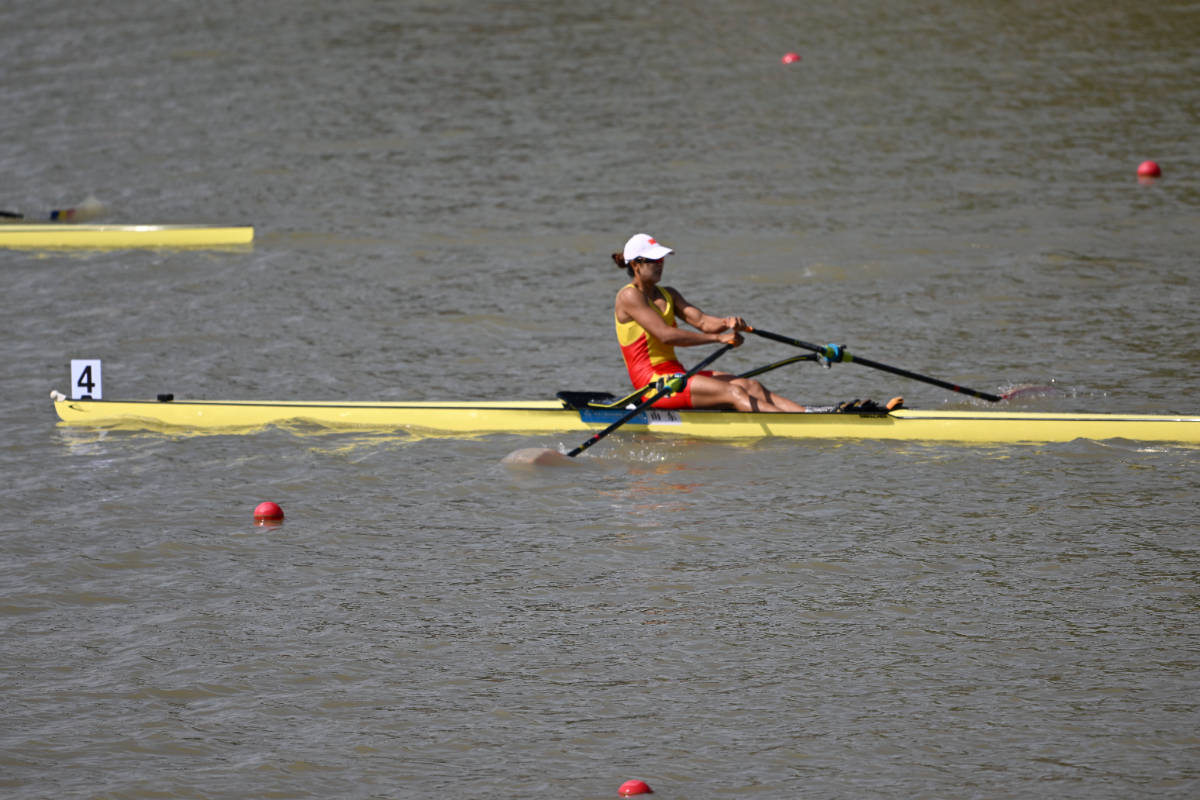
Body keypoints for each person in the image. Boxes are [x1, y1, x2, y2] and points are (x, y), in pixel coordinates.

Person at [612, 233, 808, 412]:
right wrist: (718, 338)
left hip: (676, 375)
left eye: (662, 259)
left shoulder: (669, 294)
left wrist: (728, 323)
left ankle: (808, 416)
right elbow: (666, 336)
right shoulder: (629, 296)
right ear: (636, 265)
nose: (661, 264)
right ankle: (801, 428)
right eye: (655, 260)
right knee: (734, 393)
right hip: (652, 385)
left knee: (750, 386)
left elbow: (703, 322)